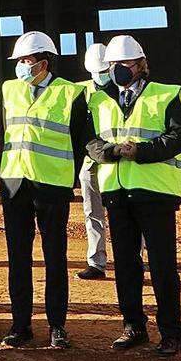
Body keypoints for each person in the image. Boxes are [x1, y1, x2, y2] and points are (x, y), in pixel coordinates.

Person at [86, 35, 181, 357]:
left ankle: (171, 333)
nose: (118, 70)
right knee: (126, 266)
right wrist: (111, 152)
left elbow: (180, 135)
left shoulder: (166, 94)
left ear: (140, 66)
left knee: (162, 266)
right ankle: (133, 327)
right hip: (116, 192)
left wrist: (141, 151)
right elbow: (90, 143)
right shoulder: (100, 100)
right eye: (113, 65)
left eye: (124, 64)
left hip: (154, 191)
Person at [0, 33, 91, 349]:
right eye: (20, 62)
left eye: (25, 61)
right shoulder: (10, 90)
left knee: (55, 257)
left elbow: (81, 142)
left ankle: (57, 326)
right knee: (18, 258)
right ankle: (19, 325)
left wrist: (65, 175)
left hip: (51, 186)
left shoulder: (70, 93)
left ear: (43, 63)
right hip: (14, 184)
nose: (21, 67)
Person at [76, 43, 112, 280]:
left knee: (126, 213)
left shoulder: (124, 89)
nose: (100, 76)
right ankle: (96, 262)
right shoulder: (79, 91)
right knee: (92, 213)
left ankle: (135, 259)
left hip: (118, 161)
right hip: (89, 162)